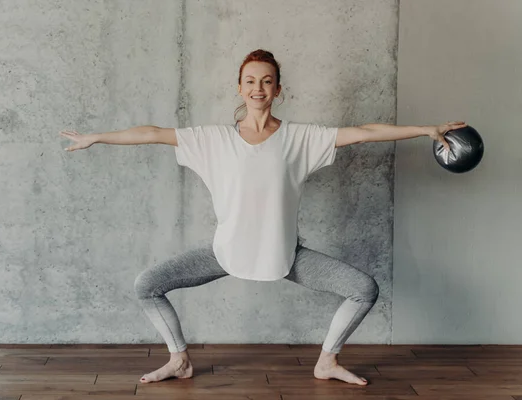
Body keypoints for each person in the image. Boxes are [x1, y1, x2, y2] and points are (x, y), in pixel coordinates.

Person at [60, 49, 466, 386]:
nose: (259, 88)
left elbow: (362, 131)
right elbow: (152, 133)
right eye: (251, 80)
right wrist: (97, 136)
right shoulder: (212, 140)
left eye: (267, 81)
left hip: (283, 254)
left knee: (364, 288)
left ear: (279, 90)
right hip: (225, 252)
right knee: (147, 284)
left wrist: (423, 129)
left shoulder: (300, 139)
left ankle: (326, 362)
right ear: (240, 87)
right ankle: (179, 360)